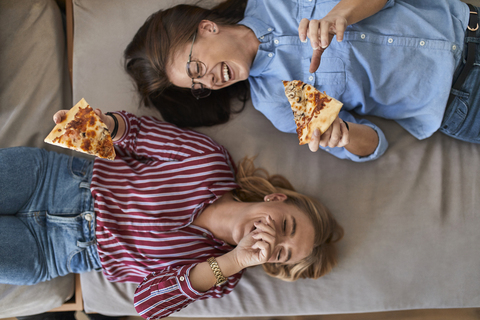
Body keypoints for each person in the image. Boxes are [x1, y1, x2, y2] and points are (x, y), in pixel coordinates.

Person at [0, 110, 343, 319]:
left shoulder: (222, 275)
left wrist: (235, 261)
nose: (271, 236)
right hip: (54, 179)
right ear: (276, 198)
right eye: (285, 225)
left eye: (280, 252)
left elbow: (147, 303)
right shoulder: (211, 160)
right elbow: (135, 134)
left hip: (54, 252)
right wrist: (91, 124)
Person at [124, 0, 480, 162]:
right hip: (462, 105)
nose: (211, 83)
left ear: (206, 27)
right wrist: (342, 135)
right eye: (198, 87)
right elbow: (374, 144)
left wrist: (341, 12)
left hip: (467, 27)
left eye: (197, 69)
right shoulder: (282, 100)